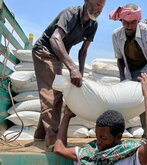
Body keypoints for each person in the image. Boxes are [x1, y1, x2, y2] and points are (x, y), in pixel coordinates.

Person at [31, 0, 106, 150]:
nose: (100, 9)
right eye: (98, 4)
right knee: (53, 95)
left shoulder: (93, 25)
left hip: (58, 56)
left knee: (54, 93)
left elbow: (83, 51)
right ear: (86, 1)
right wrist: (72, 68)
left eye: (103, 6)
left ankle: (40, 135)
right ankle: (53, 142)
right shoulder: (71, 14)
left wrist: (80, 74)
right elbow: (55, 39)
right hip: (44, 51)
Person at [54, 73, 147, 165]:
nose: (98, 142)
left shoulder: (130, 156)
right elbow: (59, 148)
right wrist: (67, 116)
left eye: (103, 138)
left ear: (118, 136)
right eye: (97, 136)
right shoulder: (89, 153)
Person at [110, 4, 147, 140]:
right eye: (125, 23)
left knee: (145, 102)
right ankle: (116, 137)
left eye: (132, 23)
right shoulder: (116, 35)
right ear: (121, 21)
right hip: (130, 71)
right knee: (121, 101)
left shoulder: (146, 31)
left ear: (138, 21)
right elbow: (120, 59)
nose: (128, 26)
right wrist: (122, 80)